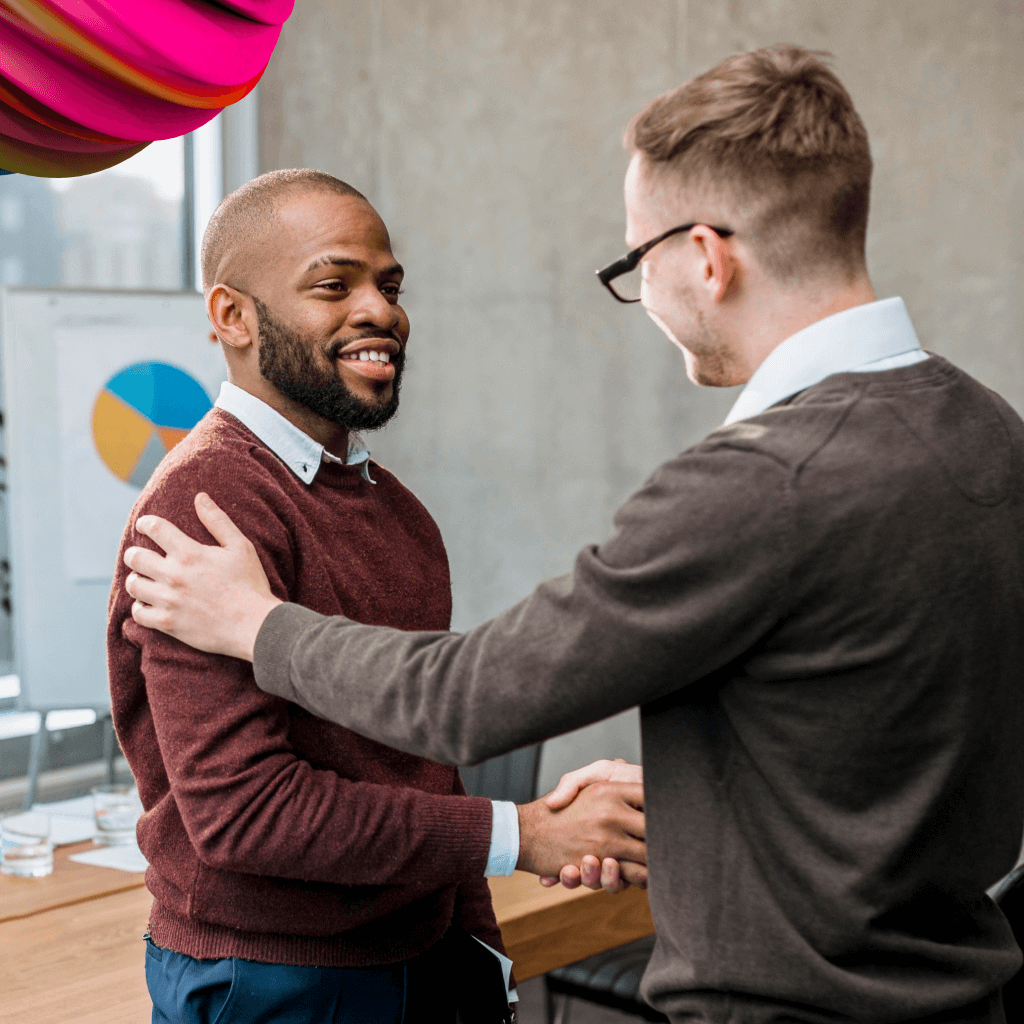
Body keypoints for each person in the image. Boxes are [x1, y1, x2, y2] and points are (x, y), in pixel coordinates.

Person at [124, 47, 1024, 1023]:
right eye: (335, 285)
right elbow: (880, 731)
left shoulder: (759, 484)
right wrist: (614, 813)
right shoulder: (986, 430)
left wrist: (254, 625)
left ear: (704, 257)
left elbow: (462, 704)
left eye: (636, 262)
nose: (380, 310)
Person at [108, 169, 649, 1024]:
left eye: (389, 286)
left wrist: (482, 964)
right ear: (231, 316)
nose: (382, 311)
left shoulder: (398, 512)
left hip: (424, 957)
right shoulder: (203, 505)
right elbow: (246, 816)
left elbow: (427, 767)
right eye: (335, 284)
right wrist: (523, 834)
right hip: (274, 982)